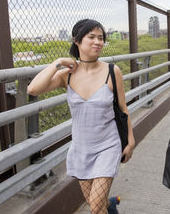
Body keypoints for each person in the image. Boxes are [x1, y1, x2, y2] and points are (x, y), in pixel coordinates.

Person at [27, 19, 135, 214]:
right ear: (76, 41)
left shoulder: (112, 71)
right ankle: (111, 206)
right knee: (98, 205)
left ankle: (107, 205)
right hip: (81, 148)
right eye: (91, 37)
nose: (98, 42)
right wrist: (57, 63)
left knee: (94, 206)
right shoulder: (66, 75)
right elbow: (33, 89)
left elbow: (123, 108)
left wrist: (130, 141)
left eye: (101, 38)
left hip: (108, 146)